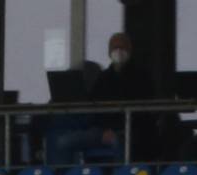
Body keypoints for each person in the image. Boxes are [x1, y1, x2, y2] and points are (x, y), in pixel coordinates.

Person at [49, 32, 154, 166]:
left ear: (130, 49)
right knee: (63, 141)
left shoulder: (141, 77)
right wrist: (104, 129)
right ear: (109, 52)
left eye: (122, 47)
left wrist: (116, 129)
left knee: (117, 142)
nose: (119, 51)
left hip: (128, 132)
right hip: (101, 130)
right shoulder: (103, 78)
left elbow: (144, 113)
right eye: (115, 48)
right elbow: (94, 107)